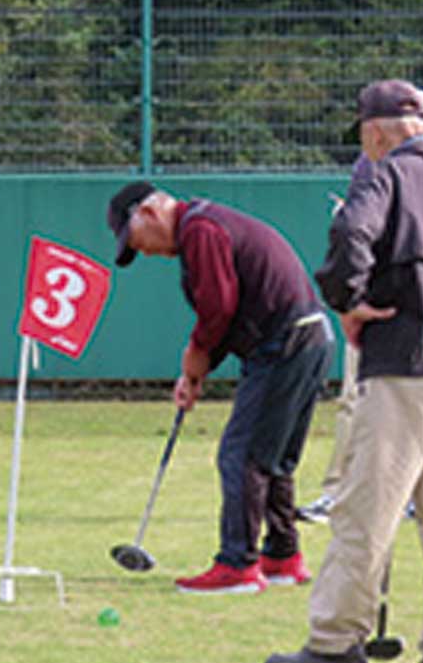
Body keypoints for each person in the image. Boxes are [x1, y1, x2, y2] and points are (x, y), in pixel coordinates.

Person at [266, 79, 423, 663]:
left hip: (401, 366)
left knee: (366, 511)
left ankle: (336, 641)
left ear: (374, 132)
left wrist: (348, 298)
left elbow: (350, 234)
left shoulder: (383, 171)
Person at [108, 181, 333, 593]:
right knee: (273, 458)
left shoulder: (200, 230)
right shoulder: (205, 225)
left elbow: (219, 308)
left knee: (241, 456)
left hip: (284, 342)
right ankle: (282, 557)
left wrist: (195, 354)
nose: (144, 252)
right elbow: (226, 317)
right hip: (310, 339)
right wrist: (195, 372)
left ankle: (238, 565)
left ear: (150, 214)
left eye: (135, 241)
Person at [297, 86, 423, 525]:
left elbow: (353, 232)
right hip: (385, 301)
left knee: (402, 406)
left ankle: (396, 494)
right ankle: (340, 492)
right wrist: (353, 297)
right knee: (358, 400)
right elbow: (356, 232)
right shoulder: (378, 166)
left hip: (405, 306)